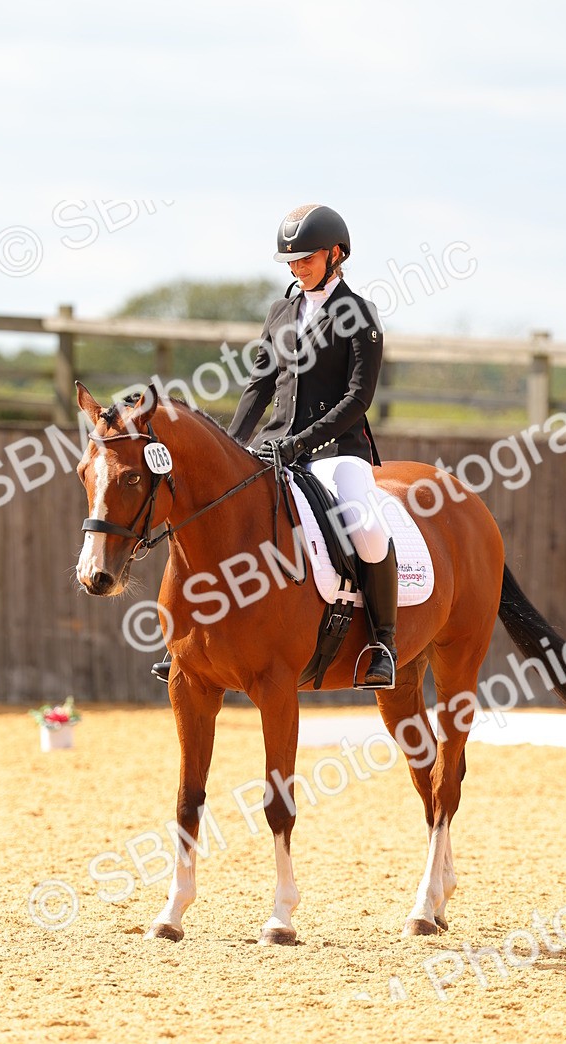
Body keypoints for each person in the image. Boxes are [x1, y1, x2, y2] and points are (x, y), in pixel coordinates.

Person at [153, 203, 397, 688]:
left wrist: (302, 442)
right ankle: (186, 637)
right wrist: (230, 447)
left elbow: (358, 397)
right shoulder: (280, 312)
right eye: (291, 261)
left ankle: (383, 643)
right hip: (273, 446)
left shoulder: (358, 314)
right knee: (215, 515)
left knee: (367, 529)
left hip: (336, 451)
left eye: (306, 258)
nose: (297, 268)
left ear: (335, 254)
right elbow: (260, 386)